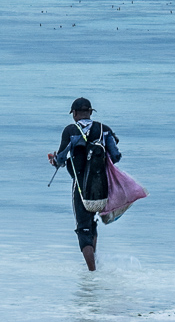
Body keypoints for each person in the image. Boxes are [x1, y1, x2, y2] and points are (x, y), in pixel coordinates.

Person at [47, 97, 122, 272]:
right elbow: (116, 156)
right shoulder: (104, 129)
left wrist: (54, 160)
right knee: (93, 222)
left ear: (74, 114)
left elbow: (60, 158)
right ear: (90, 112)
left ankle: (91, 272)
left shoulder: (70, 131)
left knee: (83, 228)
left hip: (80, 187)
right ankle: (93, 266)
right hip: (102, 186)